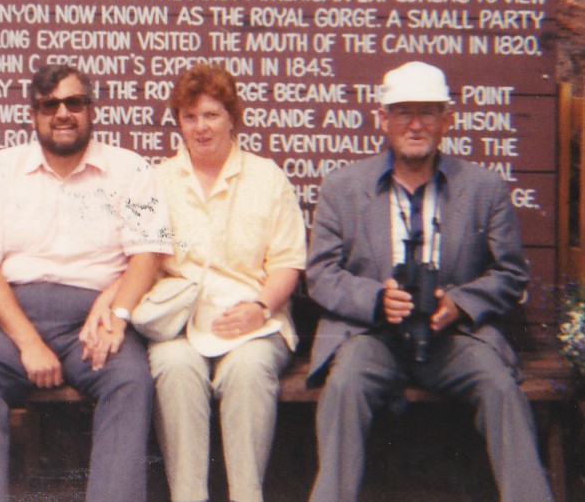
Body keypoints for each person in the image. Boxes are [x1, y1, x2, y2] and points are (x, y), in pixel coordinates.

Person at [305, 60, 554, 502]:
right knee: (343, 388)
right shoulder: (343, 187)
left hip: (453, 336)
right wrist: (377, 299)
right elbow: (321, 275)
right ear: (382, 118)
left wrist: (459, 303)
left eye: (429, 112)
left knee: (500, 388)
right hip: (374, 335)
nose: (415, 124)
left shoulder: (483, 188)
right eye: (403, 111)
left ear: (447, 120)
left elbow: (511, 274)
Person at [0, 64, 173, 502]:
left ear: (92, 110)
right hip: (16, 323)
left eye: (74, 102)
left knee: (130, 382)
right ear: (33, 114)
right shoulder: (0, 170)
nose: (62, 113)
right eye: (50, 105)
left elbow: (150, 255)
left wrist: (118, 316)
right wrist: (28, 342)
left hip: (95, 321)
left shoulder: (132, 169)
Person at [147, 63, 306, 502]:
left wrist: (260, 307)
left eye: (212, 115)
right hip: (180, 323)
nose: (201, 127)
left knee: (248, 369)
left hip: (255, 320)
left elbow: (288, 262)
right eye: (190, 116)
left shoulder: (267, 178)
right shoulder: (156, 182)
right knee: (174, 369)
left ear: (232, 117)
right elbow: (142, 263)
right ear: (178, 121)